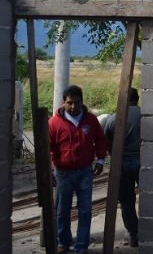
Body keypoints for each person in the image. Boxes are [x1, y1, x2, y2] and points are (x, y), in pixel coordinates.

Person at [48, 85, 108, 253]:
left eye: (77, 102)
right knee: (62, 211)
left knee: (85, 210)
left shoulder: (90, 120)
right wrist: (50, 170)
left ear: (82, 101)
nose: (73, 107)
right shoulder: (54, 123)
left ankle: (81, 247)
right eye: (69, 103)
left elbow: (100, 140)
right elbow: (47, 146)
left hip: (84, 172)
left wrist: (101, 160)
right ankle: (63, 243)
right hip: (62, 173)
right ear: (63, 103)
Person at [103, 87, 142, 247]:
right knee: (147, 198)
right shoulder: (145, 116)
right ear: (137, 99)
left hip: (122, 163)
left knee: (126, 201)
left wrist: (116, 157)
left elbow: (107, 141)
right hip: (143, 161)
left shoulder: (114, 118)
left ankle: (133, 235)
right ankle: (150, 232)